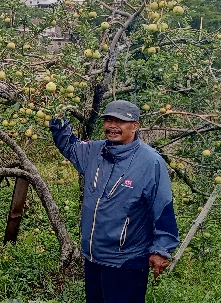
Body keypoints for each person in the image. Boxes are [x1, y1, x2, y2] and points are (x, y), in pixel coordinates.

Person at [49, 100, 179, 303]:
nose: (112, 126)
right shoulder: (94, 152)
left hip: (126, 261)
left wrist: (162, 249)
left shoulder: (150, 162)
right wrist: (55, 114)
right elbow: (68, 144)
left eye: (120, 121)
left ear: (135, 125)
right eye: (108, 120)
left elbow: (162, 207)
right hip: (94, 257)